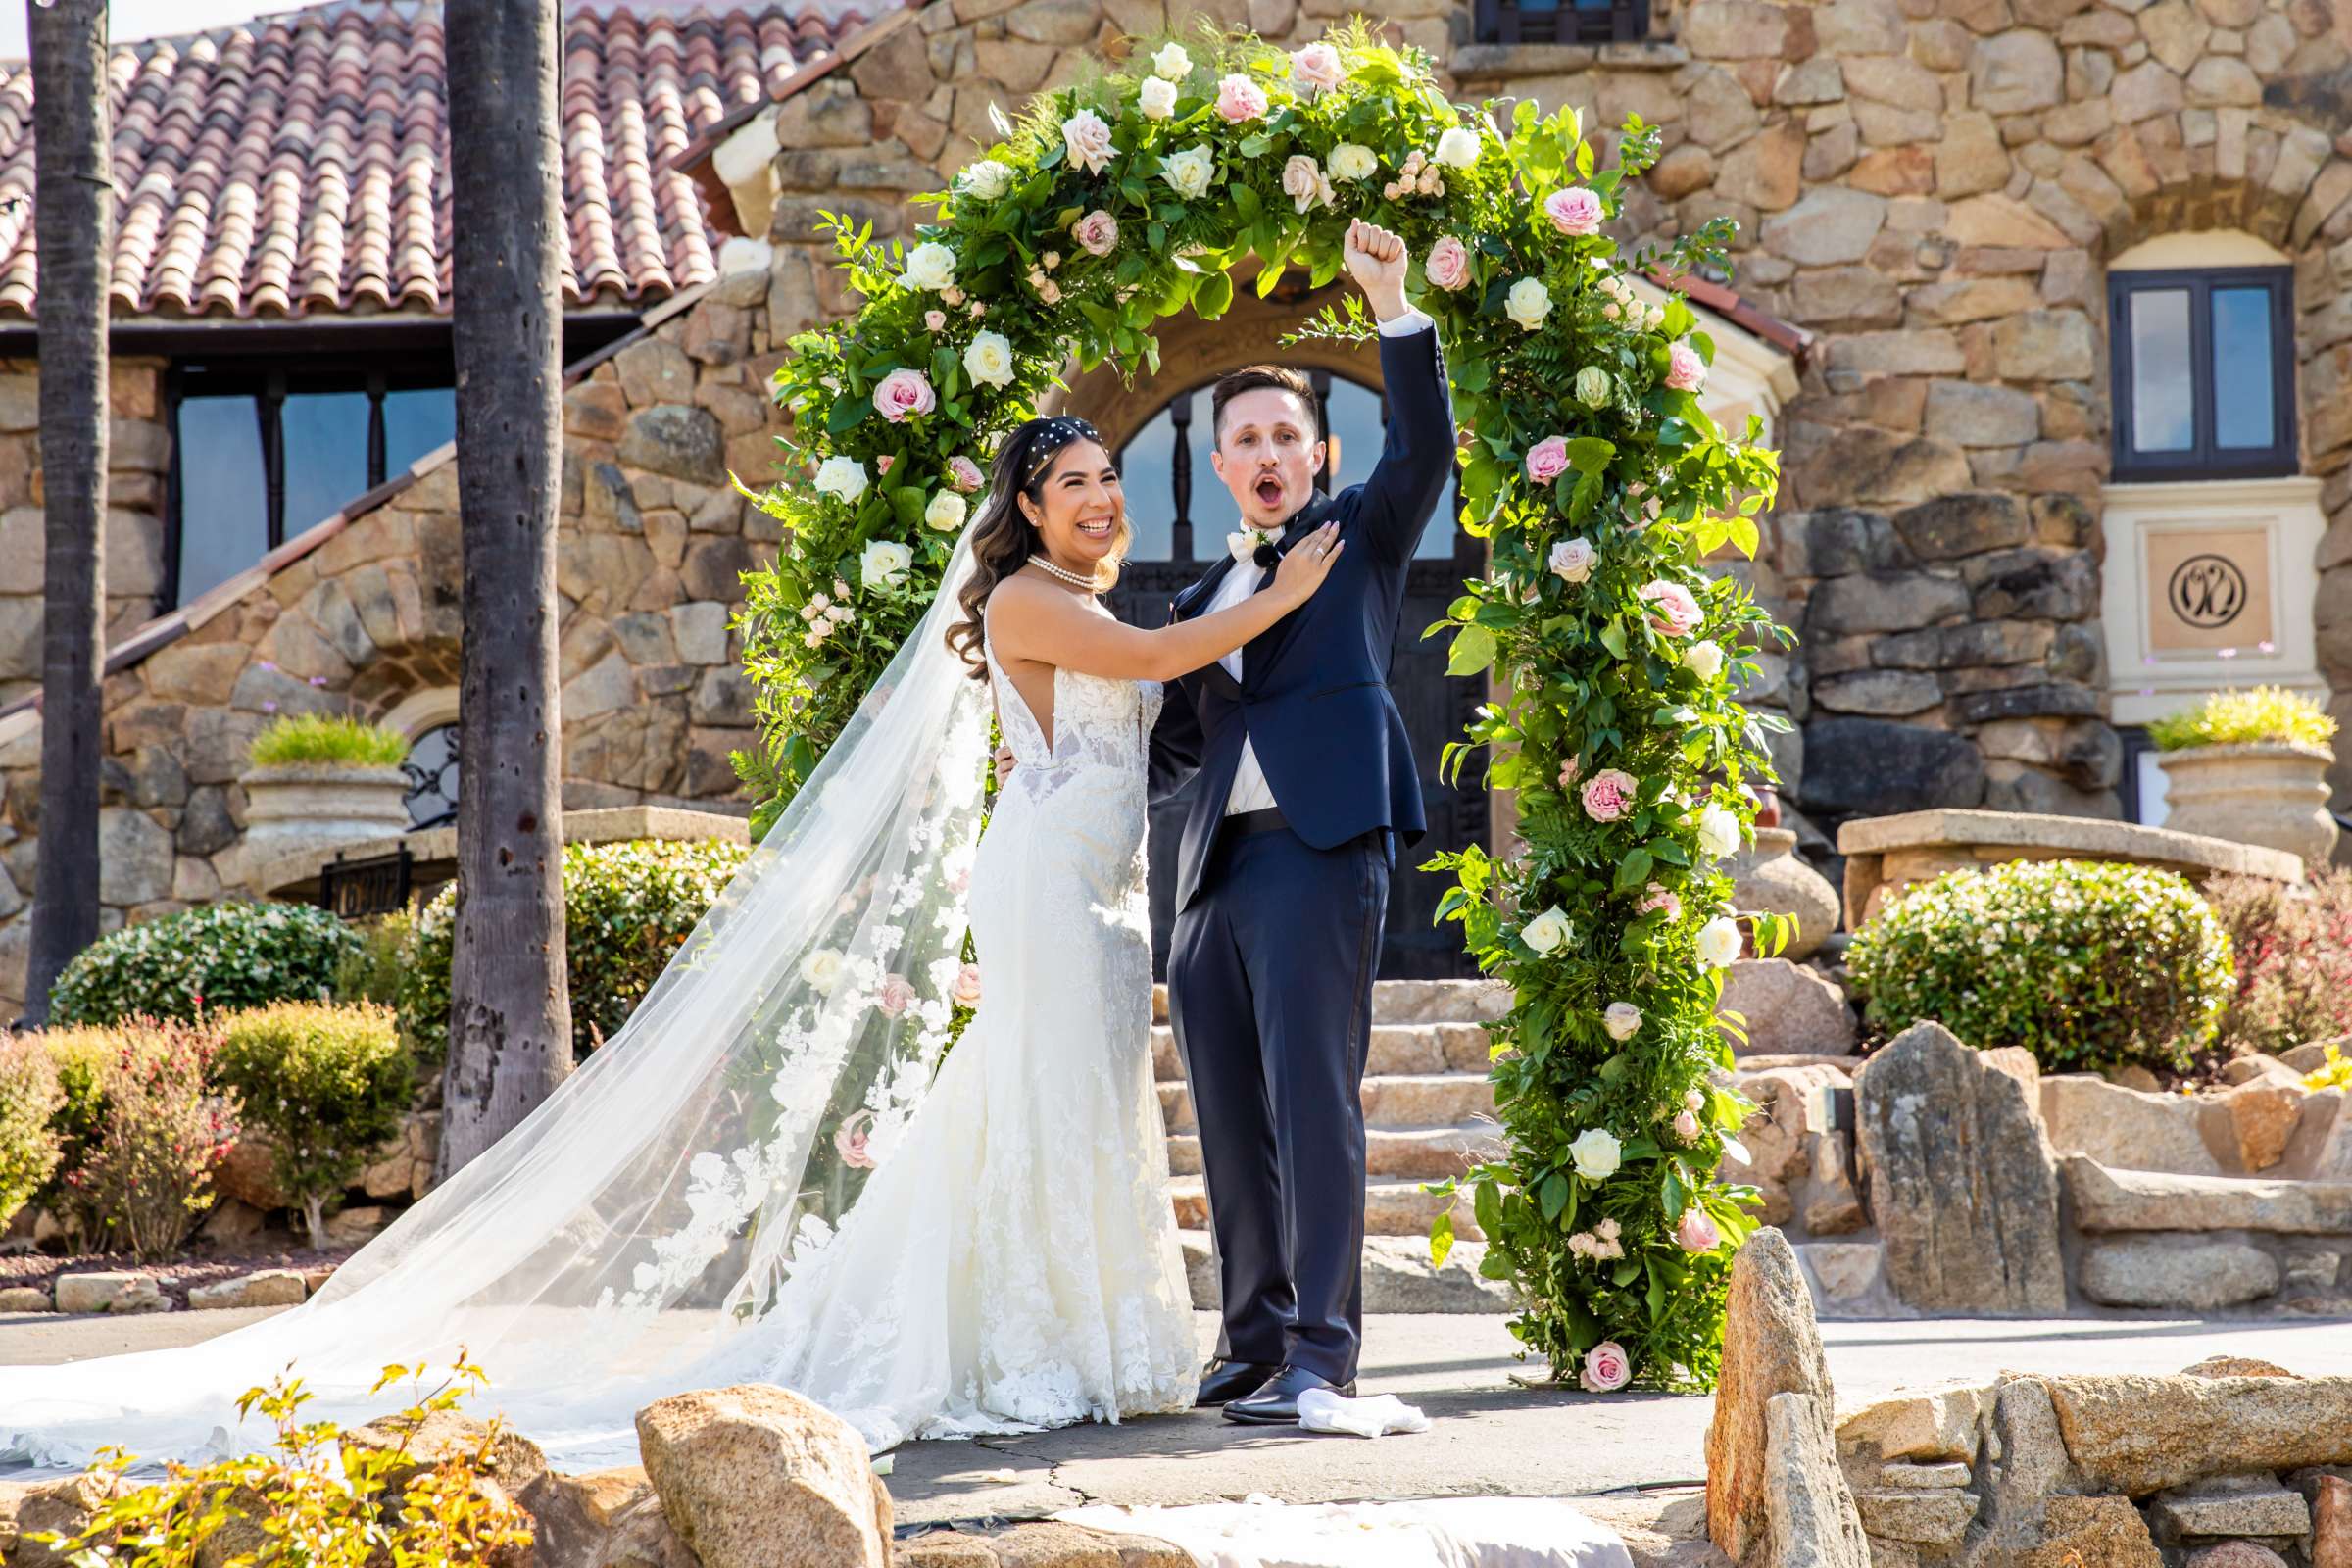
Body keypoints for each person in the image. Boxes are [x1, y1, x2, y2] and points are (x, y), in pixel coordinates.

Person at [0, 425, 1345, 1472]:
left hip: (1096, 894)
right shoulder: (1030, 603)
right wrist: (1282, 593)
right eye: (1075, 484)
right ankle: (1036, 1342)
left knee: (1078, 1102)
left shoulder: (1069, 599)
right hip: (1052, 884)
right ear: (1031, 511)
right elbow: (1173, 651)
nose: (1102, 499)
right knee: (1039, 1100)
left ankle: (1092, 1332)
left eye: (1111, 477)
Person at [1149, 218, 1456, 1425]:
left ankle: (1325, 1351)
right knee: (1226, 1115)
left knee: (1313, 1103)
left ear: (1320, 453)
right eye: (1247, 440)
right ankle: (1252, 1339)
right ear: (1222, 465)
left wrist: (1393, 305)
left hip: (1321, 855)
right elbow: (1171, 745)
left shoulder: (1358, 537)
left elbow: (1426, 446)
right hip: (1212, 874)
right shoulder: (1196, 597)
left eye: (1286, 435)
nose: (1268, 452)